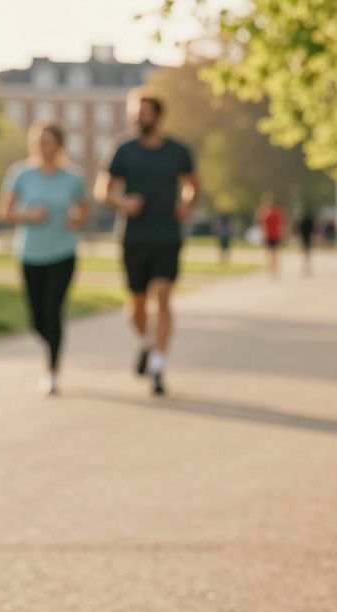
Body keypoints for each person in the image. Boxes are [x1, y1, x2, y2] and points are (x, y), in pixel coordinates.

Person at [94, 87, 198, 397]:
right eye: (134, 112)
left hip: (167, 234)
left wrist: (186, 204)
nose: (138, 117)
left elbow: (193, 184)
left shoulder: (177, 151)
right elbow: (102, 190)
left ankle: (158, 365)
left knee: (163, 297)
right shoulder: (122, 149)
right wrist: (122, 202)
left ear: (157, 115)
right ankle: (147, 342)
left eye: (144, 112)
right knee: (137, 304)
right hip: (133, 236)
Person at [0, 121, 89, 395]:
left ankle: (52, 370)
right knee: (36, 319)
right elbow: (3, 212)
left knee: (52, 311)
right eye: (37, 141)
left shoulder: (73, 178)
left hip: (63, 253)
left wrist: (77, 218)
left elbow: (84, 210)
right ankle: (53, 344)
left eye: (47, 141)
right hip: (30, 253)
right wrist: (29, 215)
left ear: (59, 145)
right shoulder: (20, 174)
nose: (41, 146)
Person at [256, 194, 286, 280]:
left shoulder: (267, 214)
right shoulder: (276, 213)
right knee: (274, 253)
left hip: (271, 235)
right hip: (272, 235)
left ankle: (271, 270)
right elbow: (282, 226)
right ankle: (273, 270)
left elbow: (260, 222)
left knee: (270, 253)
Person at [298, 207, 316, 277]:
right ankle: (307, 266)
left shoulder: (302, 220)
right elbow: (313, 229)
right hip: (308, 238)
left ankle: (304, 266)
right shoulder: (310, 220)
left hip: (303, 238)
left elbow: (299, 229)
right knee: (308, 253)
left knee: (304, 253)